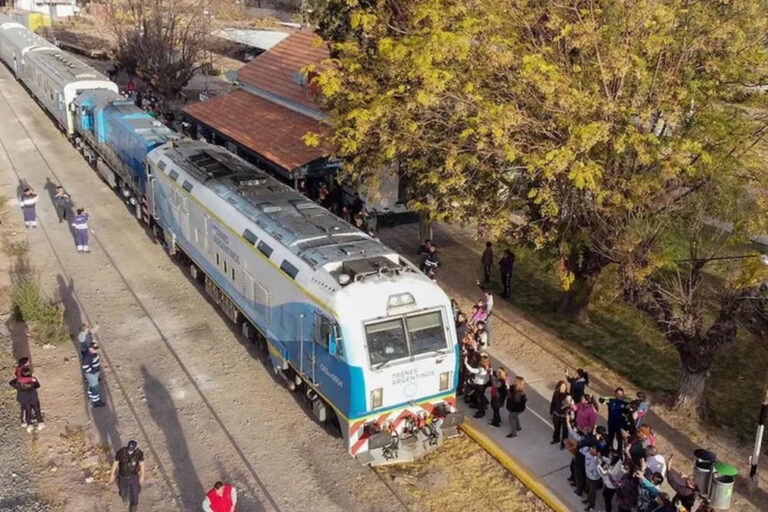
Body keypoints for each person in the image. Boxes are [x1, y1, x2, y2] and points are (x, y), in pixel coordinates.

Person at [108, 440, 145, 512]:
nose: (129, 452)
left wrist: (143, 475)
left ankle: (133, 507)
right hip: (123, 476)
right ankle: (124, 496)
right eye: (129, 450)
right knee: (123, 493)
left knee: (135, 494)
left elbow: (142, 463)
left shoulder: (139, 453)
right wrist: (112, 475)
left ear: (135, 448)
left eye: (131, 451)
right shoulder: (121, 452)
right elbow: (115, 463)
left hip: (133, 476)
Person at [9, 367, 44, 432]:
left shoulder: (19, 383)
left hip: (25, 400)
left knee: (28, 411)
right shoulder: (32, 381)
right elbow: (38, 385)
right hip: (34, 398)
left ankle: (29, 425)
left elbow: (11, 383)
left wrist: (18, 379)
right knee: (37, 410)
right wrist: (33, 379)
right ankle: (40, 422)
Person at [82, 341, 104, 407]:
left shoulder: (93, 353)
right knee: (95, 387)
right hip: (92, 374)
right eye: (95, 349)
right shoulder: (88, 357)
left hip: (94, 373)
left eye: (96, 348)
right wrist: (93, 372)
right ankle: (96, 402)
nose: (96, 350)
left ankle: (90, 396)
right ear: (90, 348)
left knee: (92, 385)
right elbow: (85, 367)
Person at [581, 444, 602, 511]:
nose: (592, 450)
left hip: (593, 478)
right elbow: (581, 450)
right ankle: (588, 499)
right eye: (592, 448)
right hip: (588, 475)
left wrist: (598, 458)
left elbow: (599, 463)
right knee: (588, 489)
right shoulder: (587, 453)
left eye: (594, 450)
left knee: (592, 493)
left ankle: (591, 506)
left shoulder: (598, 459)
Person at [550, 380, 570, 448]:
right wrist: (551, 412)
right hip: (556, 414)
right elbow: (553, 403)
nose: (563, 388)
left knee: (565, 431)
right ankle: (556, 439)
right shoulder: (556, 393)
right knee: (556, 428)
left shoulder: (568, 395)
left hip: (564, 416)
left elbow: (570, 406)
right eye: (561, 387)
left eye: (564, 387)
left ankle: (563, 444)